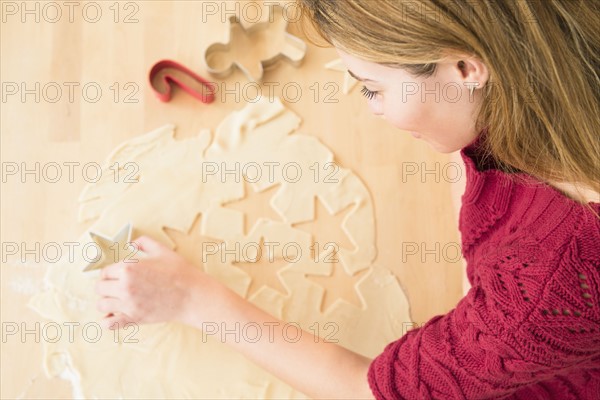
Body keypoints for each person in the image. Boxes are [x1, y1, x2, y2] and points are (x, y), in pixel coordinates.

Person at [95, 0, 600, 398]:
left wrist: (191, 299)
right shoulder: (554, 60)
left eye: (372, 88)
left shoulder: (550, 277)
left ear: (467, 67)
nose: (369, 108)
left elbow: (374, 390)